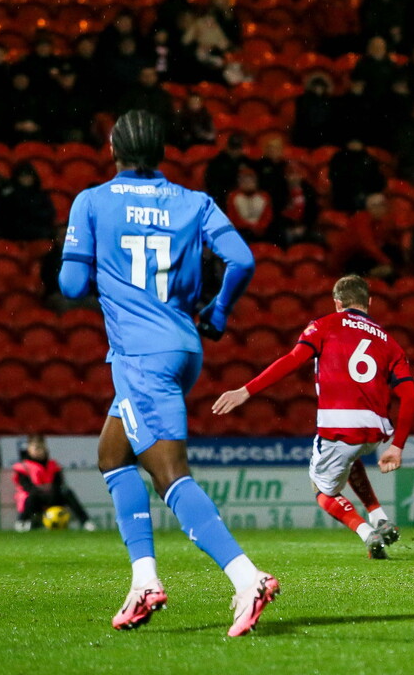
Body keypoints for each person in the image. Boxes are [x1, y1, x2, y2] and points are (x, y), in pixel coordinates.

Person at [58, 110, 277, 637]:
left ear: (113, 149)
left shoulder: (91, 201)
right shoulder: (193, 202)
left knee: (169, 472)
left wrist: (110, 282)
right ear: (161, 151)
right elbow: (242, 260)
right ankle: (143, 580)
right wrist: (219, 311)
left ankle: (246, 577)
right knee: (113, 455)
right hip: (183, 346)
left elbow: (69, 285)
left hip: (139, 353)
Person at [212, 275, 414, 559]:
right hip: (376, 429)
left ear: (337, 303)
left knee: (322, 490)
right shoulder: (390, 342)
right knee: (351, 457)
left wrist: (246, 391)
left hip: (339, 427)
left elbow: (293, 360)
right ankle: (379, 518)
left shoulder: (324, 326)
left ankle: (367, 534)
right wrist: (398, 446)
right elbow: (409, 395)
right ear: (369, 302)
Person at [12, 435, 96, 532]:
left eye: (41, 448)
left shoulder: (53, 465)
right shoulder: (23, 467)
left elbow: (59, 483)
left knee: (67, 492)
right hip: (35, 498)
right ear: (29, 450)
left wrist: (51, 490)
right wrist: (42, 489)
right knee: (31, 497)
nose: (39, 451)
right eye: (36, 448)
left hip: (51, 495)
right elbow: (26, 486)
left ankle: (86, 522)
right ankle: (22, 522)